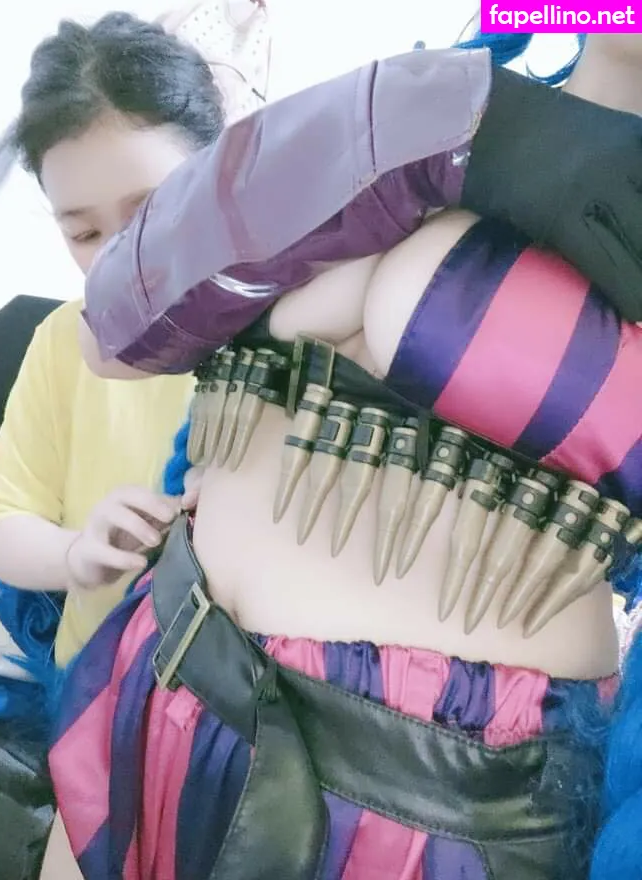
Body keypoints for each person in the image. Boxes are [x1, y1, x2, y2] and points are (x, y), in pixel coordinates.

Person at [48, 28, 642, 880]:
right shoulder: (441, 97)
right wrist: (445, 127)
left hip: (427, 802)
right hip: (165, 667)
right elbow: (113, 327)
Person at [0, 12, 229, 668]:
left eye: (154, 211)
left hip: (258, 688)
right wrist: (76, 552)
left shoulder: (294, 324)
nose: (122, 257)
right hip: (102, 683)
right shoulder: (64, 341)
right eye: (84, 234)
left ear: (225, 176)